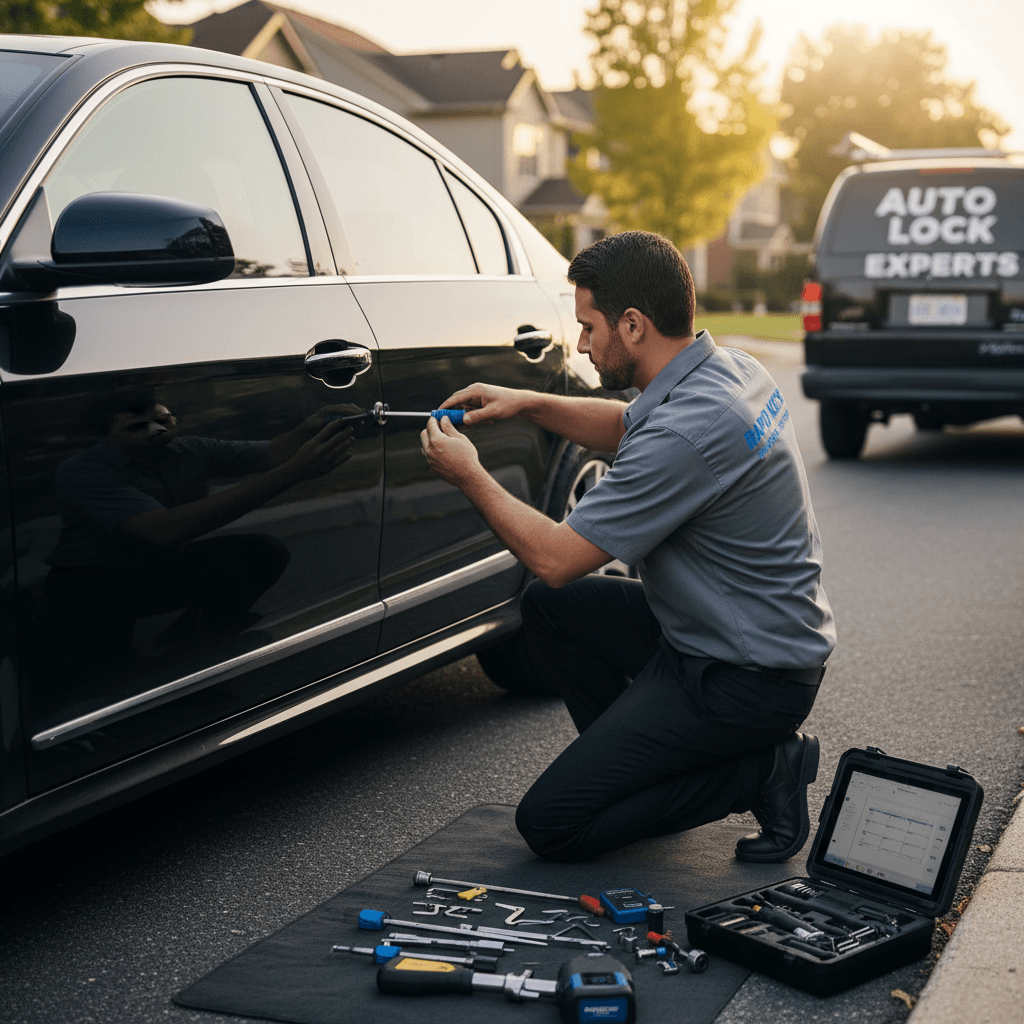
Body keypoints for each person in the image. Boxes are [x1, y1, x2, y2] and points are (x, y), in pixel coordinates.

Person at [420, 230, 836, 863]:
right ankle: (651, 775)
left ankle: (763, 771)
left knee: (552, 824)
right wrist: (528, 403)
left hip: (745, 681)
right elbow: (627, 426)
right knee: (549, 611)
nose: (582, 342)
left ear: (634, 325)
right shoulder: (725, 373)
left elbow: (557, 559)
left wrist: (469, 475)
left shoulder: (690, 431)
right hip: (723, 637)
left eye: (589, 327)